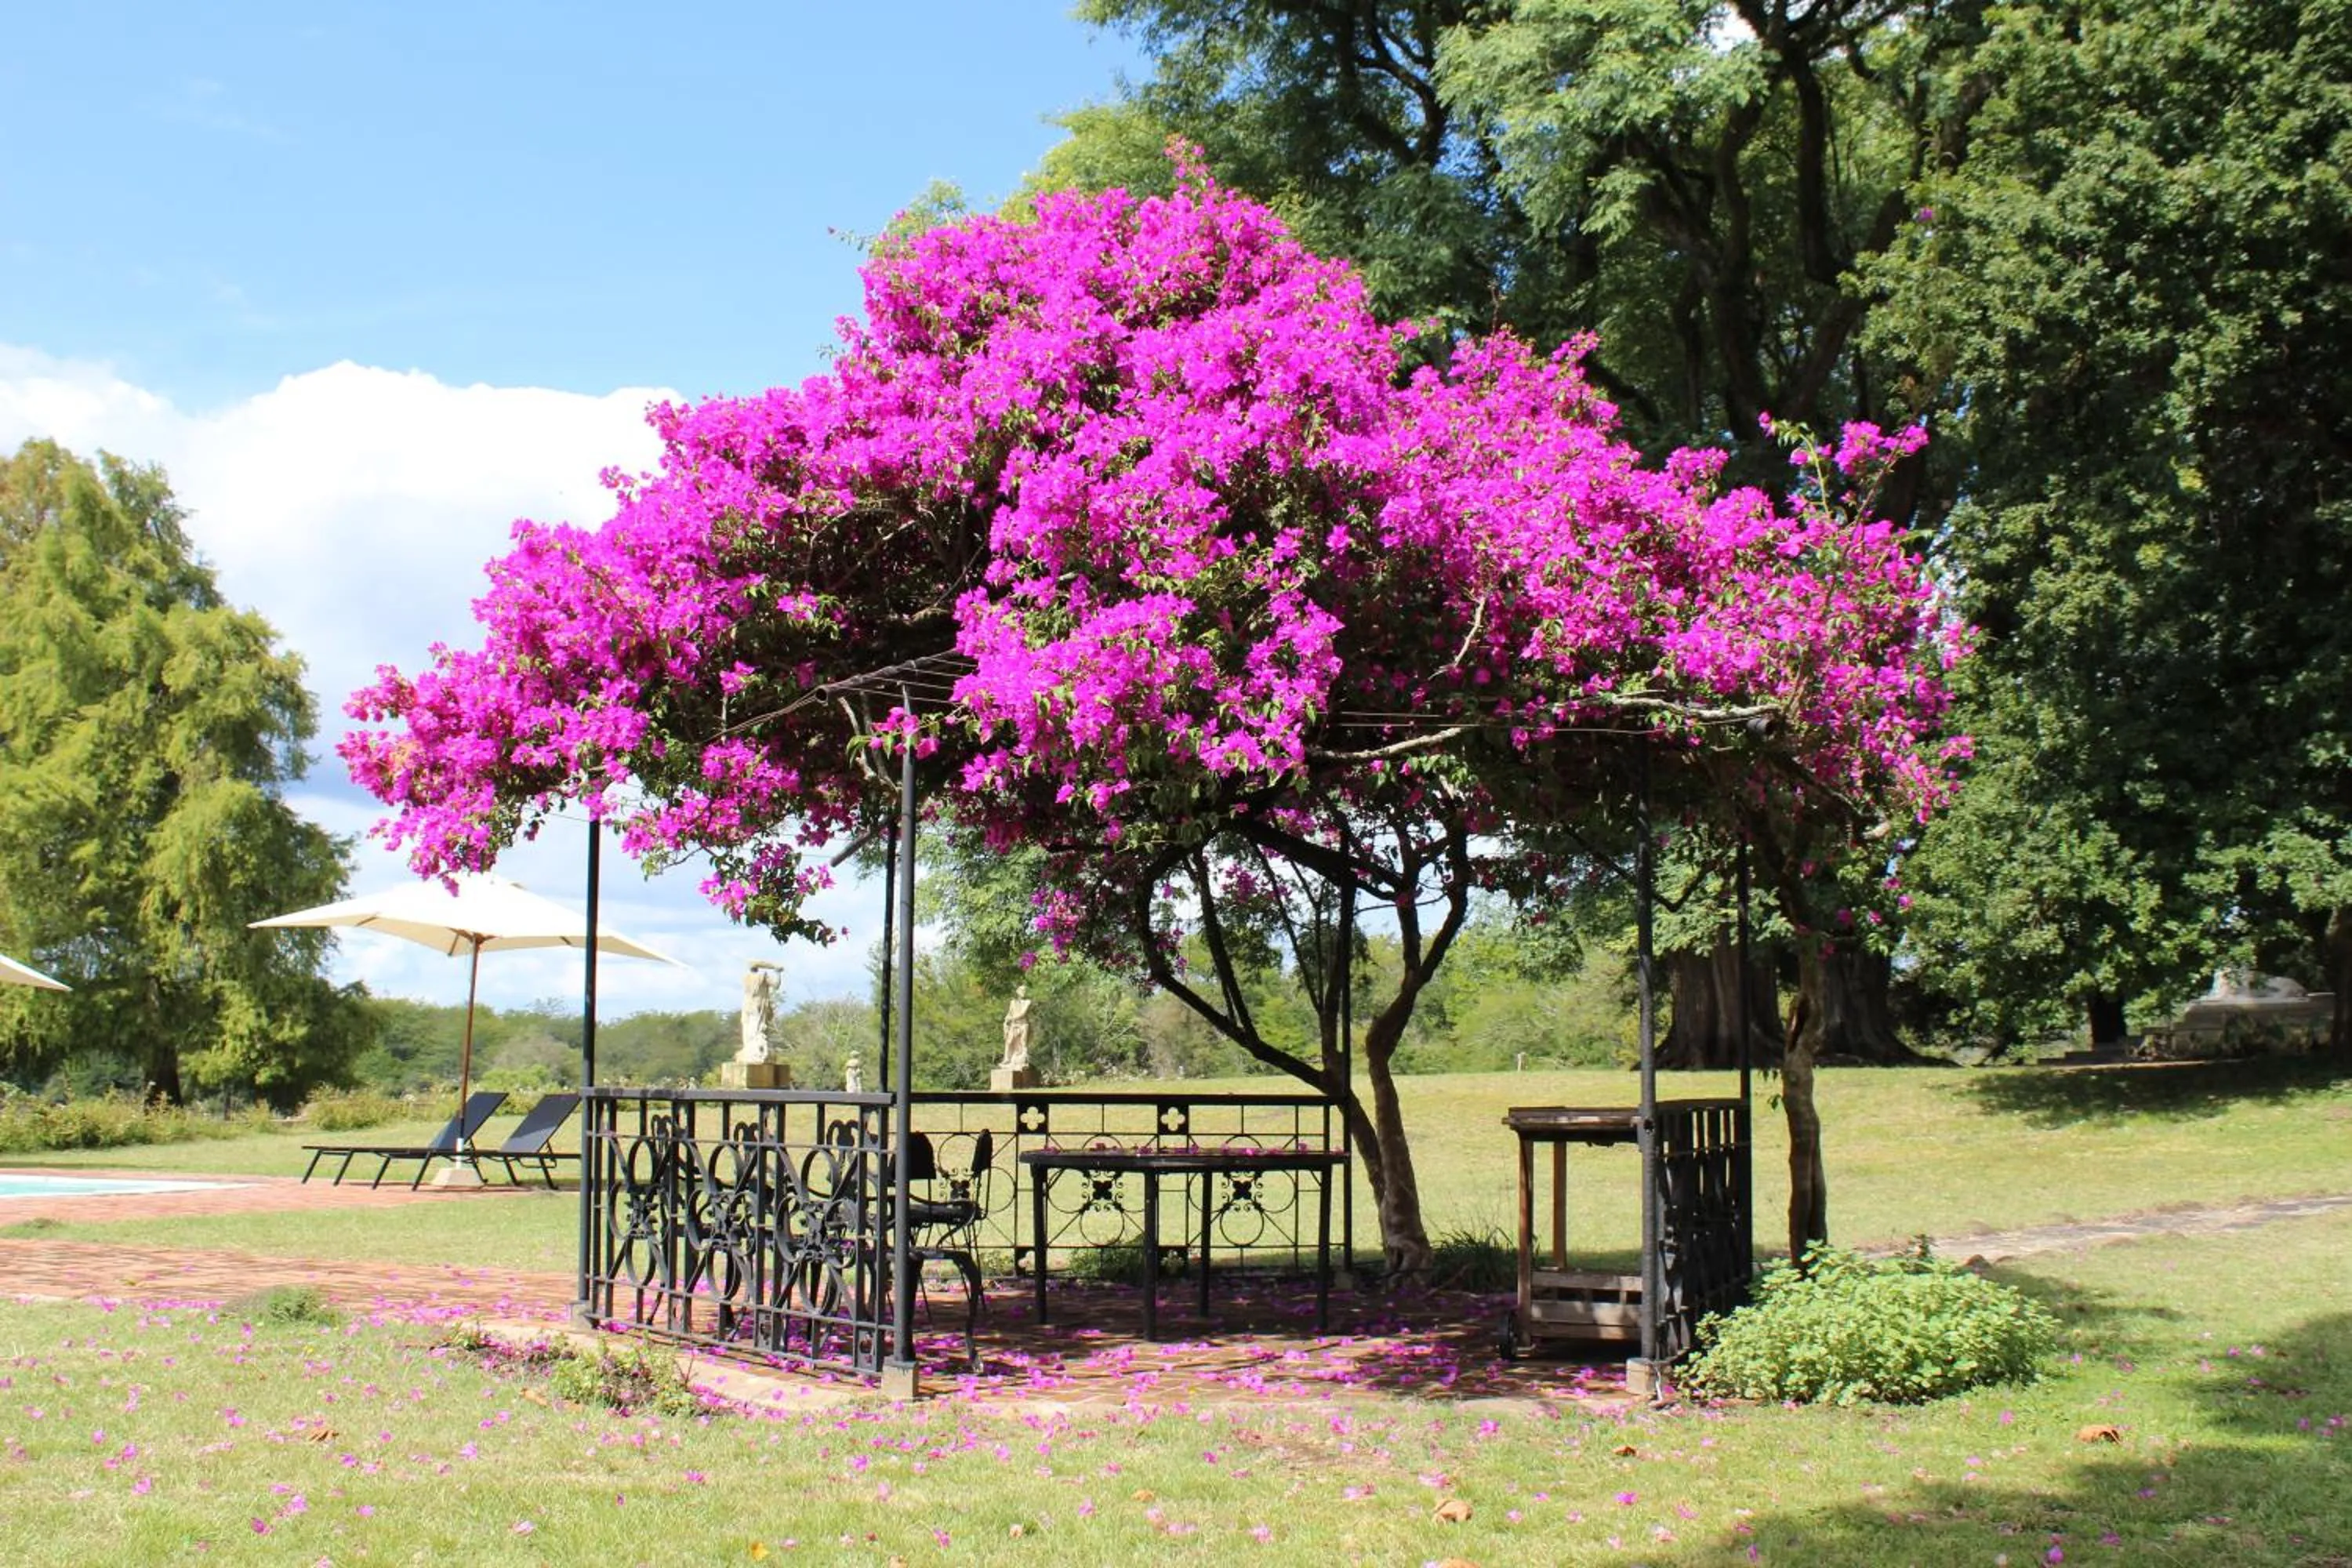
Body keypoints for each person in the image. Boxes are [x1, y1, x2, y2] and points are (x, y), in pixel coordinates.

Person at [740, 961, 782, 1062]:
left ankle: (752, 1051)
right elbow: (776, 985)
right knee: (757, 1030)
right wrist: (777, 972)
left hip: (748, 1007)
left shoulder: (745, 978)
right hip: (758, 1007)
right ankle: (756, 1052)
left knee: (750, 1030)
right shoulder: (762, 977)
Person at [1000, 984, 1034, 1072]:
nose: (1024, 992)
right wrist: (1007, 1019)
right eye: (1022, 990)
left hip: (1023, 1025)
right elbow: (1010, 1013)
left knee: (1023, 1042)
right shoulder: (1013, 1002)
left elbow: (1023, 1014)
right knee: (1009, 1041)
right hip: (1014, 1025)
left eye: (1025, 991)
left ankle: (1023, 1060)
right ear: (1018, 992)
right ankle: (1007, 1059)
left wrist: (1012, 1018)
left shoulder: (1028, 1002)